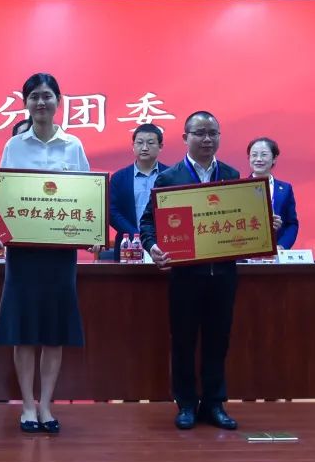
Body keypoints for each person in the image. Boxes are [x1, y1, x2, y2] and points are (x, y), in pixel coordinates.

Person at [0, 73, 93, 435]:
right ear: (25, 103)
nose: (41, 102)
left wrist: (93, 234)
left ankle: (46, 404)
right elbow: (2, 196)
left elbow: (88, 196)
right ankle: (27, 405)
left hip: (59, 254)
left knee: (54, 329)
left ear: (58, 101)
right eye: (34, 96)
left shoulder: (73, 146)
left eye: (47, 96)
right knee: (24, 329)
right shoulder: (14, 146)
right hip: (23, 254)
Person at [139, 111, 240, 431]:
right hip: (185, 276)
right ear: (185, 138)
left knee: (218, 340)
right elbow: (147, 223)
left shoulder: (231, 174)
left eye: (213, 133)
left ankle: (214, 403)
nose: (207, 139)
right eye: (200, 133)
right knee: (183, 340)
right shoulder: (169, 178)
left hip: (223, 275)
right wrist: (153, 246)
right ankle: (185, 404)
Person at [109, 123, 168, 258]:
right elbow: (112, 212)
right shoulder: (119, 178)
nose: (144, 148)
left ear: (160, 146)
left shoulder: (171, 175)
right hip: (129, 245)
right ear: (133, 146)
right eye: (140, 143)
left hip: (163, 245)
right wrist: (136, 235)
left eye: (150, 143)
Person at [247, 137, 299, 249]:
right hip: (247, 250)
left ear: (274, 159)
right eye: (254, 155)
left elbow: (292, 224)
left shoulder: (285, 189)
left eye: (264, 155)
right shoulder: (239, 188)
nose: (258, 159)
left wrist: (282, 246)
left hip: (276, 252)